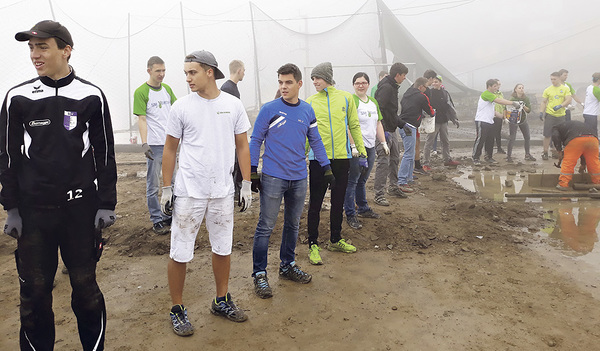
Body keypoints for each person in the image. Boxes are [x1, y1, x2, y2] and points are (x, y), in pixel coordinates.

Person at [1, 20, 117, 350]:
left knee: (85, 287)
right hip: (33, 214)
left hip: (79, 211)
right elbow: (7, 156)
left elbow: (105, 152)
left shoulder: (91, 95)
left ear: (65, 50)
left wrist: (107, 203)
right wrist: (11, 208)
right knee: (35, 294)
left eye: (42, 47)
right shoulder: (17, 97)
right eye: (31, 48)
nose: (35, 54)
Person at [161, 50, 252, 336]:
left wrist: (246, 183)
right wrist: (166, 189)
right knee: (180, 252)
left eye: (192, 72)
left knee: (223, 247)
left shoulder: (233, 105)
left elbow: (242, 146)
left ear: (209, 72)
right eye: (186, 72)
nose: (187, 78)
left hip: (222, 192)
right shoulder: (182, 107)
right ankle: (177, 309)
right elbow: (170, 149)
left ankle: (221, 299)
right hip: (189, 192)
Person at [249, 63, 330, 298]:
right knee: (266, 226)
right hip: (273, 177)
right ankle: (259, 274)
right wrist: (253, 171)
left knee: (293, 225)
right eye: (280, 82)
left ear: (299, 84)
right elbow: (255, 140)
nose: (283, 87)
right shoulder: (269, 109)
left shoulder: (307, 110)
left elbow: (315, 141)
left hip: (299, 177)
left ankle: (287, 265)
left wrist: (326, 168)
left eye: (288, 82)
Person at [306, 62, 366, 265]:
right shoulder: (310, 102)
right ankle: (313, 244)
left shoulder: (346, 98)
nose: (314, 82)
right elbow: (307, 132)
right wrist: (303, 153)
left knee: (338, 201)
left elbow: (354, 124)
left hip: (342, 158)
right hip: (318, 160)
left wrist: (361, 150)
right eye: (313, 78)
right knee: (315, 203)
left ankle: (335, 239)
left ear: (328, 78)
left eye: (318, 78)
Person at [133, 56, 177, 235]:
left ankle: (168, 214)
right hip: (155, 145)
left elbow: (176, 110)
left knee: (172, 182)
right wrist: (145, 143)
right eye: (158, 71)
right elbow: (142, 119)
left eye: (164, 70)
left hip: (170, 145)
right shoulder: (141, 92)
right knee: (153, 185)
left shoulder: (167, 90)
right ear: (149, 70)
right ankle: (157, 219)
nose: (162, 74)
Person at [344, 72, 388, 230]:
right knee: (353, 179)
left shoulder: (373, 102)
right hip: (356, 148)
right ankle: (350, 213)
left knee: (363, 180)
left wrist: (383, 142)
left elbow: (378, 123)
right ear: (353, 85)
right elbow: (348, 125)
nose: (360, 85)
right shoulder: (351, 101)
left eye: (363, 82)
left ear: (368, 84)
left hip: (370, 147)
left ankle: (362, 208)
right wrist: (354, 146)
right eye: (357, 83)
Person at [373, 62, 412, 206]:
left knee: (395, 157)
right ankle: (379, 194)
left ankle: (393, 187)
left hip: (391, 128)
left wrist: (401, 124)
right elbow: (379, 109)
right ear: (397, 75)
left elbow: (391, 111)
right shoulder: (387, 87)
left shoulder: (393, 86)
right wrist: (382, 130)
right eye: (403, 76)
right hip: (384, 130)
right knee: (383, 160)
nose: (404, 78)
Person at [397, 77, 435, 193]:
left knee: (411, 152)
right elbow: (430, 111)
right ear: (421, 87)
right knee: (408, 153)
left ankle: (408, 177)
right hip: (410, 126)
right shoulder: (422, 97)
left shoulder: (406, 94)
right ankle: (402, 180)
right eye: (425, 87)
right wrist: (431, 113)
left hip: (403, 125)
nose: (426, 90)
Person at [472, 79, 521, 164]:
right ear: (489, 86)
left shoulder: (491, 95)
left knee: (490, 140)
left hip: (490, 121)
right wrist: (512, 103)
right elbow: (500, 101)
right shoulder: (486, 94)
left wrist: (503, 117)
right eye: (494, 86)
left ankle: (489, 157)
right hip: (482, 120)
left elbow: (493, 111)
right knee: (481, 139)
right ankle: (475, 157)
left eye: (496, 86)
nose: (496, 88)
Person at [423, 75, 460, 169]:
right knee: (429, 142)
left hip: (443, 121)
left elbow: (450, 106)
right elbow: (424, 105)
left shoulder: (445, 93)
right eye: (434, 82)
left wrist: (454, 118)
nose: (435, 83)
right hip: (433, 121)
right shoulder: (429, 93)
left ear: (441, 83)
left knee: (445, 141)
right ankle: (426, 163)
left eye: (437, 82)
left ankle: (447, 160)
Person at [220, 60, 245, 201]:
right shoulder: (227, 88)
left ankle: (236, 192)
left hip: (234, 133)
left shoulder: (233, 87)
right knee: (233, 164)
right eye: (244, 70)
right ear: (239, 70)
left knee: (237, 164)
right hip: (228, 135)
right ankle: (233, 192)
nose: (244, 73)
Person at [552, 120, 600, 190]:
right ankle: (597, 183)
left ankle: (563, 184)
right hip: (593, 140)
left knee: (569, 162)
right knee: (594, 163)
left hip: (575, 140)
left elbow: (555, 136)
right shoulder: (575, 125)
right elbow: (584, 148)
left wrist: (559, 150)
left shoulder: (555, 128)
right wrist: (583, 164)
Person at [540, 72, 573, 160]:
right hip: (550, 114)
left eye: (554, 79)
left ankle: (557, 151)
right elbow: (544, 101)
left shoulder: (565, 89)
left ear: (559, 78)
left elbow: (569, 99)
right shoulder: (548, 89)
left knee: (559, 134)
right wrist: (541, 112)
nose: (553, 81)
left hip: (561, 115)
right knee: (547, 134)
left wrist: (561, 105)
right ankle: (545, 152)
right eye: (551, 79)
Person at [414, 69, 438, 175]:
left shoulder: (427, 90)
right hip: (414, 119)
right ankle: (416, 166)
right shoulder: (421, 91)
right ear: (431, 79)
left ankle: (417, 165)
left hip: (419, 117)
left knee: (417, 142)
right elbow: (425, 104)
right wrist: (431, 113)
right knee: (415, 143)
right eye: (433, 81)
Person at [507, 84, 536, 162]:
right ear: (515, 89)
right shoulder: (512, 98)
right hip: (514, 120)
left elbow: (529, 110)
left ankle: (527, 154)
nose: (521, 89)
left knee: (527, 137)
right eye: (519, 88)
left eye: (522, 88)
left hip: (523, 120)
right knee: (512, 138)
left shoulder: (526, 99)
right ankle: (508, 156)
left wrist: (523, 106)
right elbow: (508, 108)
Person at [492, 80, 507, 154]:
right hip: (491, 116)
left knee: (498, 133)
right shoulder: (491, 94)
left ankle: (499, 148)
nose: (498, 86)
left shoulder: (501, 94)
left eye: (499, 84)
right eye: (497, 84)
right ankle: (488, 149)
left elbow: (503, 105)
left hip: (499, 116)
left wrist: (504, 116)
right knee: (490, 133)